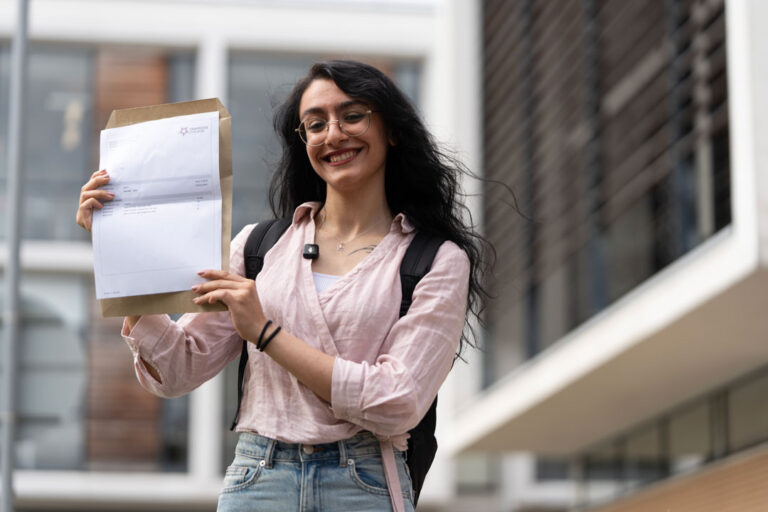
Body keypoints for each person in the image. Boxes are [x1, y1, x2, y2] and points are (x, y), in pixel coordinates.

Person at [76, 59, 491, 512]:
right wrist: (120, 250)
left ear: (391, 130)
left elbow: (397, 401)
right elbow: (177, 369)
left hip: (363, 485)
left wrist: (265, 333)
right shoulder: (259, 248)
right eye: (315, 124)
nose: (333, 134)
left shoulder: (434, 260)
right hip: (258, 478)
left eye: (352, 116)